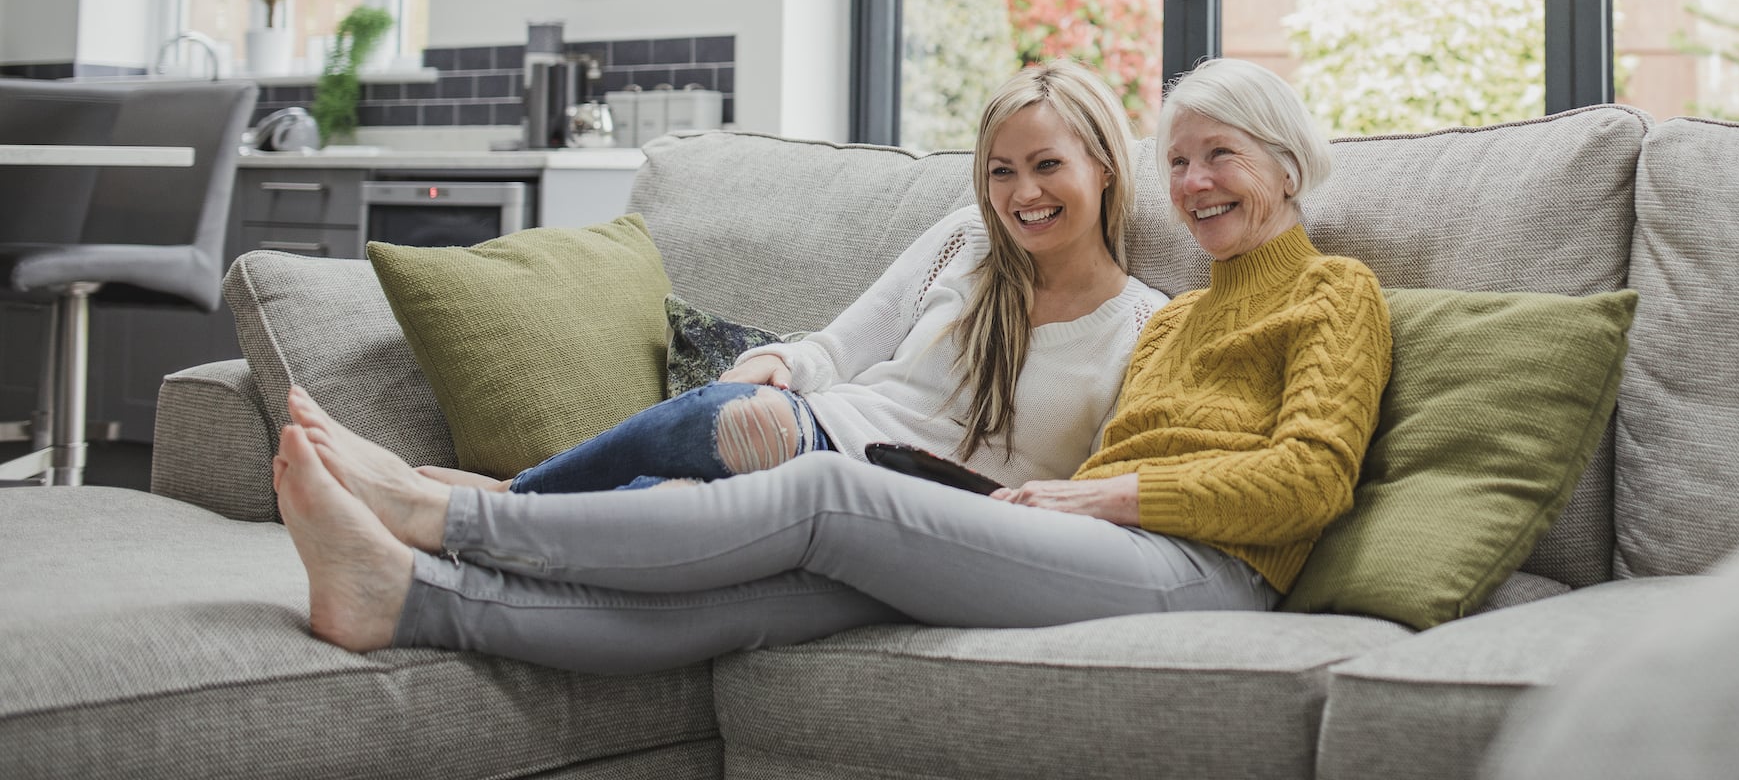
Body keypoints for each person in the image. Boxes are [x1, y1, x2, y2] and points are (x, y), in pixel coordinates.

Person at [276, 56, 1392, 673]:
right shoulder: (1183, 318)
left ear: (1288, 165)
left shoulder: (1335, 292)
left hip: (1201, 567)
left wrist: (1105, 493)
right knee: (762, 601)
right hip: (1091, 534)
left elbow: (1309, 480)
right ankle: (411, 602)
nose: (1195, 182)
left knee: (818, 486)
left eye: (1222, 157)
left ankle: (449, 522)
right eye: (1182, 159)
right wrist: (1086, 498)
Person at [443, 58, 1164, 497]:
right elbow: (839, 349)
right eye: (1001, 172)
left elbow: (1104, 478)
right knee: (685, 478)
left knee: (720, 460)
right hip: (828, 434)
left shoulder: (1144, 324)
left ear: (1103, 166)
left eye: (1047, 166)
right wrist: (778, 360)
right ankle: (495, 509)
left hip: (924, 503)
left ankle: (505, 500)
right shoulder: (967, 241)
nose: (1022, 195)